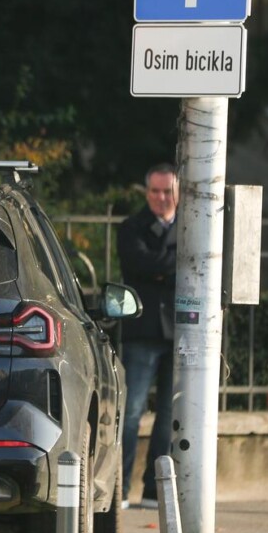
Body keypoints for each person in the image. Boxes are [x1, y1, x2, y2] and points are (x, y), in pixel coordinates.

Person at [117, 164, 178, 509]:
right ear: (146, 193)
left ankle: (155, 491)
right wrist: (172, 263)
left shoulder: (191, 225)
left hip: (180, 331)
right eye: (155, 191)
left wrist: (160, 267)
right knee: (131, 413)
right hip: (142, 331)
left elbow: (193, 264)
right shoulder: (131, 227)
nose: (161, 197)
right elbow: (139, 265)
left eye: (167, 191)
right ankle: (120, 489)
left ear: (178, 193)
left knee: (170, 415)